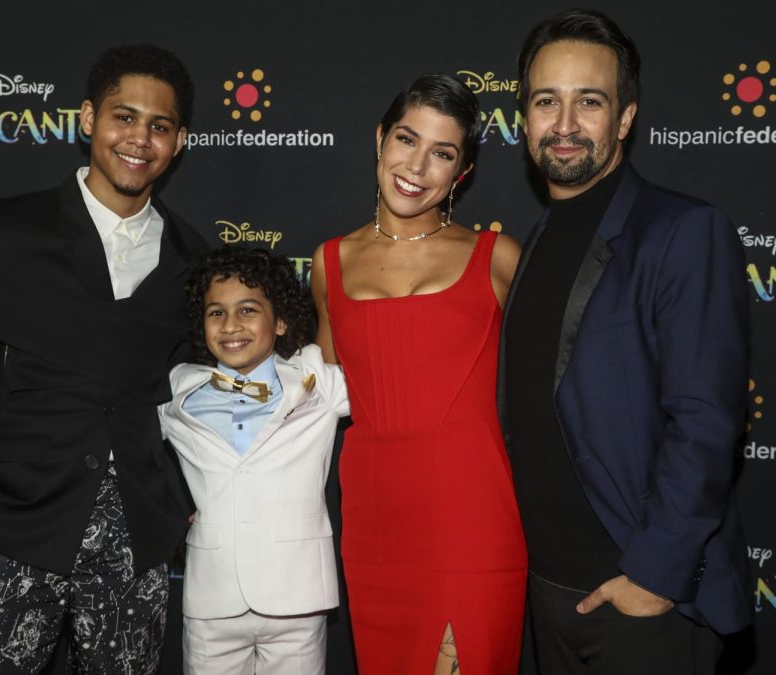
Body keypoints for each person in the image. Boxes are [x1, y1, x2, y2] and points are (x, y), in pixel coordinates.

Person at [0, 44, 207, 673]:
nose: (139, 139)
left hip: (134, 547)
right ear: (87, 118)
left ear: (178, 142)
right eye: (124, 117)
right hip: (7, 531)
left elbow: (194, 390)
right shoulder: (6, 230)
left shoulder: (192, 257)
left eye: (159, 126)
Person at [499, 9, 752, 674]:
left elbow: (705, 419)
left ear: (626, 116)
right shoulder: (538, 241)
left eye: (590, 101)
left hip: (638, 601)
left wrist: (654, 578)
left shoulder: (684, 231)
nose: (565, 123)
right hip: (545, 595)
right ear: (524, 116)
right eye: (546, 101)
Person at [310, 74, 526, 675]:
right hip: (376, 522)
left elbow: (555, 394)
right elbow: (323, 400)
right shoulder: (329, 263)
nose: (417, 165)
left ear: (463, 172)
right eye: (407, 140)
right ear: (380, 139)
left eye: (443, 152)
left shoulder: (497, 257)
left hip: (472, 515)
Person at [159, 247, 349, 675]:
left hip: (297, 597)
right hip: (212, 599)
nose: (231, 326)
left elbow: (388, 372)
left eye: (248, 310)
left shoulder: (318, 383)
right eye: (216, 313)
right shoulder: (176, 394)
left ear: (280, 320)